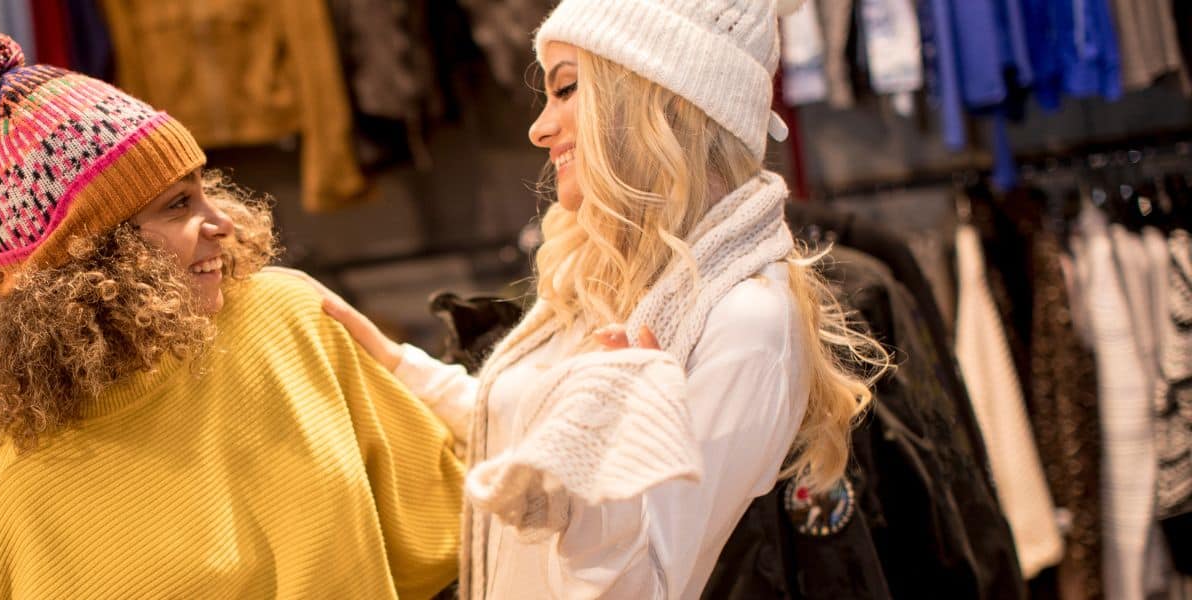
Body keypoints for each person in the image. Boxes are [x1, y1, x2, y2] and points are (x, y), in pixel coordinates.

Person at [288, 0, 892, 597]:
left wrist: (608, 463)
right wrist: (402, 368)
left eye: (568, 89)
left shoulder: (747, 319)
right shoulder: (618, 274)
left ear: (660, 95)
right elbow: (535, 437)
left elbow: (640, 587)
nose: (539, 127)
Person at [0, 30, 463, 599]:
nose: (224, 222)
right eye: (178, 205)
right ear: (90, 257)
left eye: (201, 189)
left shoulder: (287, 319)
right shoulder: (18, 489)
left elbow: (456, 520)